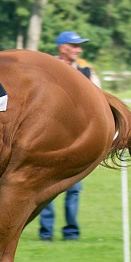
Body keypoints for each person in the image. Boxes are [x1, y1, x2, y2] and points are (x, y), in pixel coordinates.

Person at [39, 31, 101, 241]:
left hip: (76, 137)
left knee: (74, 187)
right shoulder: (47, 67)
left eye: (79, 46)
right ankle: (46, 233)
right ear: (62, 47)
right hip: (48, 137)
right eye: (75, 46)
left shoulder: (86, 70)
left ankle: (71, 233)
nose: (79, 50)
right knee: (45, 187)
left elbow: (99, 100)